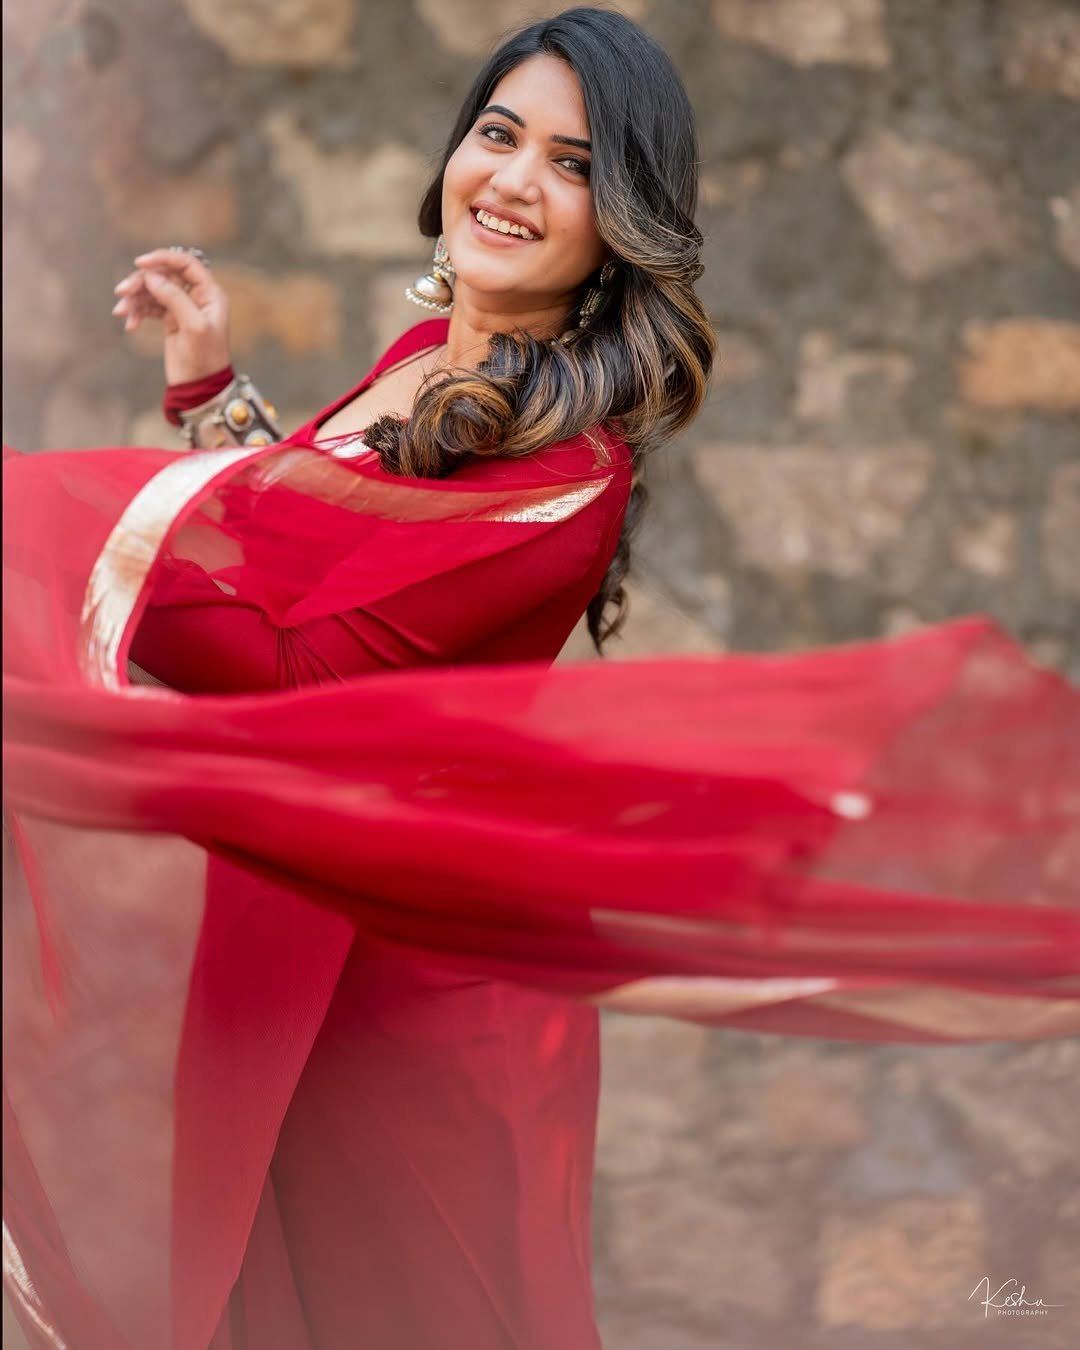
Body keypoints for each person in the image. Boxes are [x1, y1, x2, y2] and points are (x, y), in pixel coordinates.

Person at [4, 8, 1078, 1350]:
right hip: (298, 942)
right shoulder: (421, 363)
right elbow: (307, 550)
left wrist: (46, 550)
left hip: (421, 1017)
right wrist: (211, 396)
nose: (511, 179)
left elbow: (300, 673)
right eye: (499, 133)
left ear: (617, 224)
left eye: (570, 164)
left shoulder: (566, 477)